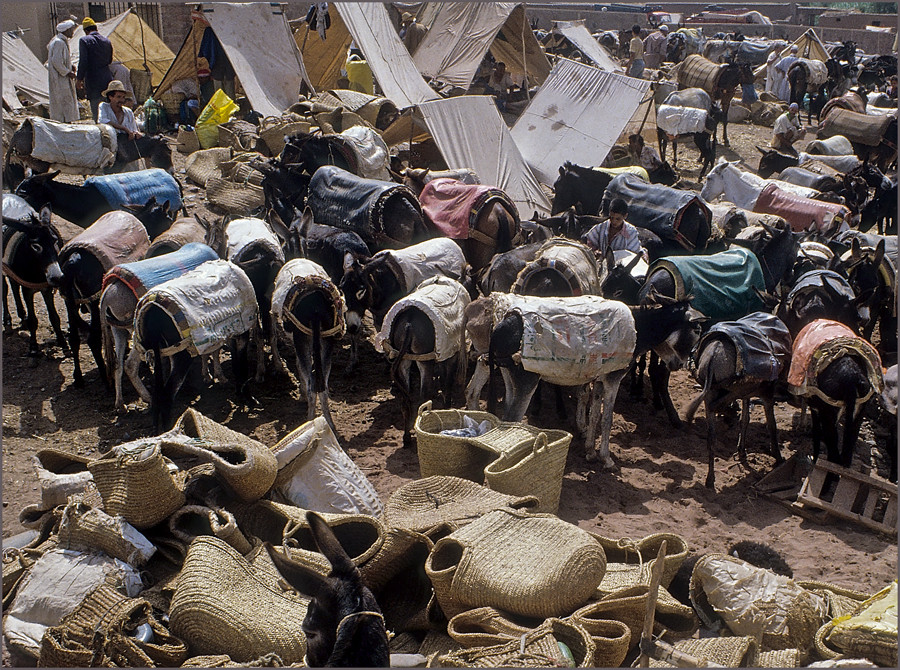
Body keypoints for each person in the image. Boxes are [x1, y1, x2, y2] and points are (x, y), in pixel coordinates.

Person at [582, 198, 648, 262]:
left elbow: (633, 255)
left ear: (625, 216)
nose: (614, 221)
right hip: (602, 264)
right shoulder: (601, 227)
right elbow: (590, 242)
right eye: (611, 217)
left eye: (617, 219)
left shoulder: (631, 232)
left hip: (621, 268)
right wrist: (595, 251)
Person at [76, 17, 113, 122]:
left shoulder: (84, 40)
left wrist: (79, 79)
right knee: (108, 111)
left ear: (86, 31)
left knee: (97, 113)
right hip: (107, 79)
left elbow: (83, 61)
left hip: (93, 80)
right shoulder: (107, 41)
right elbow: (110, 60)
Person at [47, 19, 79, 122]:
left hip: (62, 77)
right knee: (63, 101)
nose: (73, 32)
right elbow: (56, 61)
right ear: (66, 30)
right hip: (60, 79)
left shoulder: (61, 42)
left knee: (65, 101)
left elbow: (61, 59)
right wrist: (67, 72)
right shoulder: (59, 43)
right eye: (71, 29)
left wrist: (70, 66)